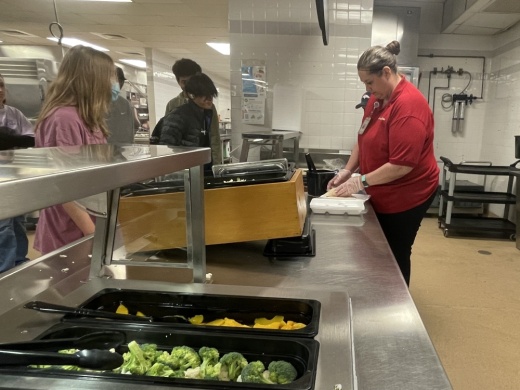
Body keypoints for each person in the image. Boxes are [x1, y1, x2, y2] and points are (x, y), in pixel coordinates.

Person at [327, 40, 439, 286]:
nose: (367, 88)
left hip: (409, 192)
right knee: (377, 247)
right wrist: (348, 170)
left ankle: (397, 308)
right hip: (382, 186)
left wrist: (361, 181)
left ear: (386, 72)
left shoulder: (408, 106)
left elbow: (401, 165)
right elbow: (363, 136)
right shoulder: (376, 99)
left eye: (369, 82)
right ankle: (379, 292)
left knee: (394, 251)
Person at [33, 45, 115, 255]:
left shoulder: (89, 118)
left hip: (93, 217)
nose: (112, 84)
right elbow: (64, 187)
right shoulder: (64, 119)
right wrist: (91, 233)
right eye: (108, 77)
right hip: (72, 228)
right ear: (91, 80)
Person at [0, 73, 34, 272]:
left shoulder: (14, 114)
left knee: (18, 221)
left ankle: (20, 262)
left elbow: (30, 140)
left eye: (2, 85)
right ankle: (5, 270)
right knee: (3, 226)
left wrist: (9, 139)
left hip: (15, 176)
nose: (0, 90)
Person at [163, 58, 222, 164]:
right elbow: (167, 139)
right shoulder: (173, 105)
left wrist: (217, 165)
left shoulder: (208, 106)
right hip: (180, 162)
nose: (188, 86)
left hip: (203, 161)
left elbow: (214, 137)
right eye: (184, 82)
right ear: (178, 82)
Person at [106, 67, 140, 144]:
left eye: (121, 81)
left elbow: (134, 125)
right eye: (116, 80)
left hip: (122, 149)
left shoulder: (125, 104)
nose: (120, 84)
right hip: (106, 150)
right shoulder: (96, 104)